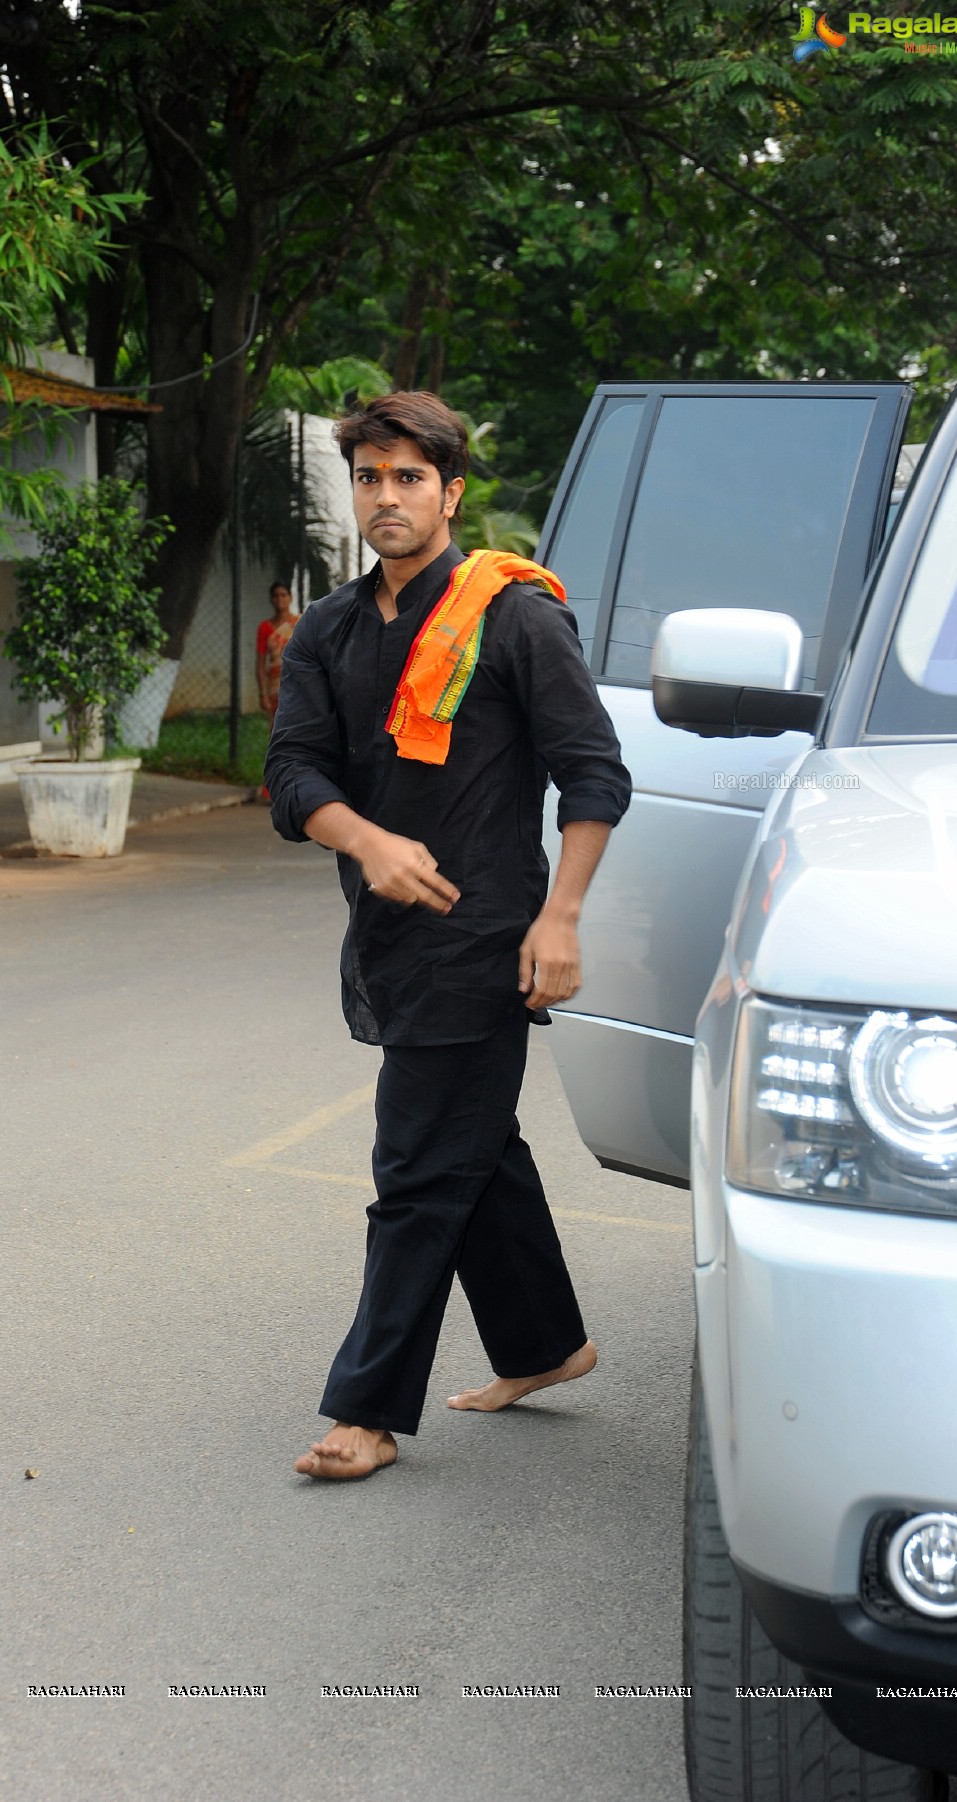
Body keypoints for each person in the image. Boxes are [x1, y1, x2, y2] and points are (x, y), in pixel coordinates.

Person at [264, 391, 631, 1481]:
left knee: (416, 1167)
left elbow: (594, 774)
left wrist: (559, 918)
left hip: (487, 942)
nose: (385, 495)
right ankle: (544, 1343)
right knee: (473, 1149)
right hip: (383, 937)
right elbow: (292, 773)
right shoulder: (328, 629)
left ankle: (367, 1408)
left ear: (450, 492)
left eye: (407, 477)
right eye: (368, 476)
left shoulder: (512, 616)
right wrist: (363, 837)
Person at [256, 582, 298, 721]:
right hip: (276, 686)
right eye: (275, 596)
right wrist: (263, 695)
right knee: (279, 729)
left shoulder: (300, 623)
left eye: (283, 595)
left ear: (290, 598)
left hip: (299, 682)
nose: (279, 599)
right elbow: (261, 665)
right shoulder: (265, 628)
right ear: (271, 599)